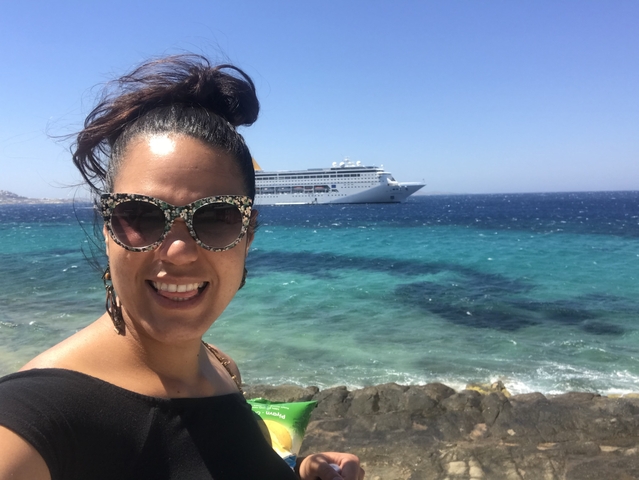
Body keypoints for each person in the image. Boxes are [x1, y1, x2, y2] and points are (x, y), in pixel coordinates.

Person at [0, 54, 364, 480]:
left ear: (248, 236)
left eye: (216, 217)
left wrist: (296, 470)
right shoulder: (33, 422)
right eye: (141, 214)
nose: (178, 251)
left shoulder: (218, 367)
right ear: (108, 228)